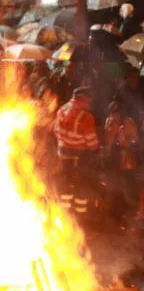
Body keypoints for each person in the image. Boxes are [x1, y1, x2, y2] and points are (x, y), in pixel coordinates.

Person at [53, 87, 99, 216]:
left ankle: (64, 213)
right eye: (88, 100)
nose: (89, 103)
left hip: (63, 153)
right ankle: (80, 214)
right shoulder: (86, 116)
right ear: (81, 99)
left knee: (66, 183)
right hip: (81, 156)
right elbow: (91, 141)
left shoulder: (62, 110)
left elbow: (56, 131)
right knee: (81, 184)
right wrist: (95, 148)